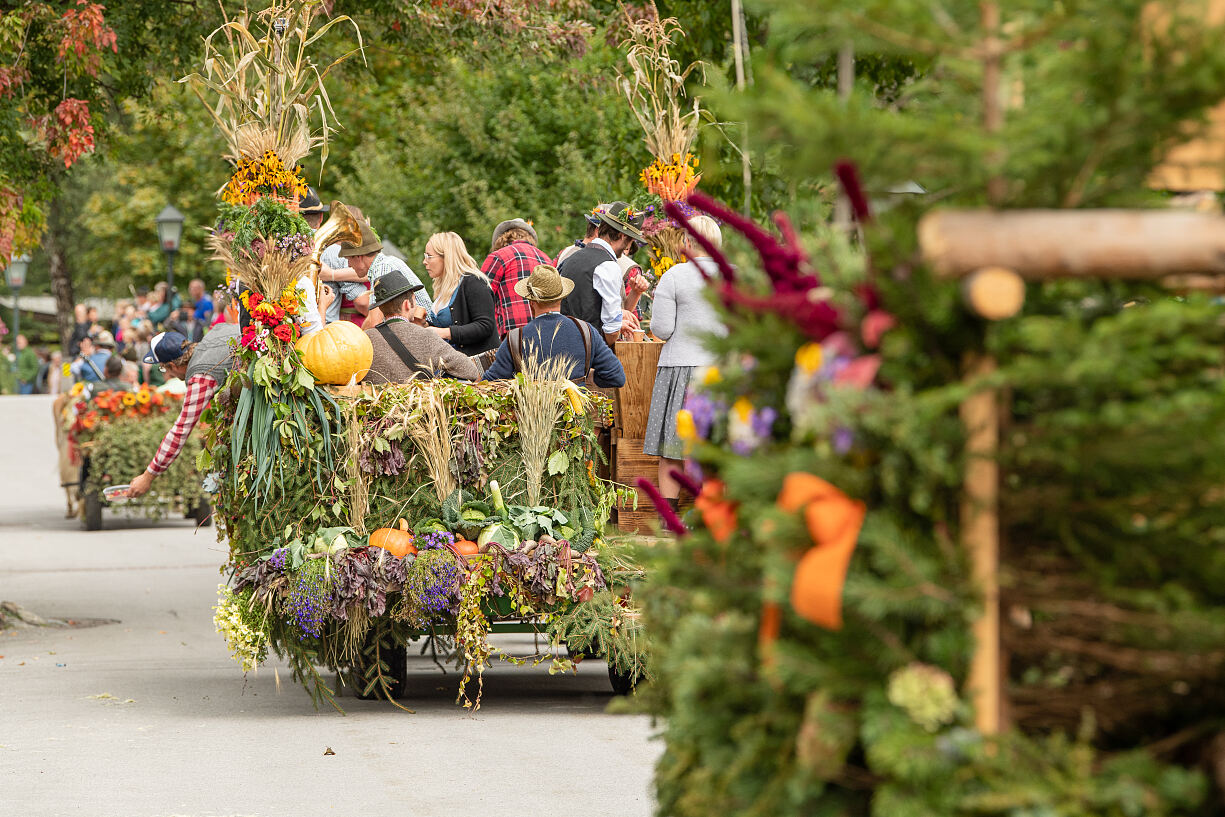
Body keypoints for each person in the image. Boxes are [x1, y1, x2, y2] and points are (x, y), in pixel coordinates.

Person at [642, 215, 728, 507]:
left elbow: (662, 329)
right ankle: (714, 514)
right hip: (722, 370)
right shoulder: (733, 275)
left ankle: (668, 520)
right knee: (717, 446)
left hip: (679, 368)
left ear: (687, 242)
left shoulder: (675, 276)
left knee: (672, 446)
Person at [126, 324, 242, 499]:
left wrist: (148, 476)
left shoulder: (201, 376)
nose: (167, 373)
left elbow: (180, 430)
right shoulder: (213, 333)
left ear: (173, 365)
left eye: (163, 368)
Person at [482, 264, 625, 388]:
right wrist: (586, 378)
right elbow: (616, 377)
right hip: (577, 417)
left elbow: (490, 384)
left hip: (532, 418)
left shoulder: (515, 339)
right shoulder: (585, 331)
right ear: (562, 297)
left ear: (531, 302)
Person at [361, 270, 481, 384]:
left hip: (375, 404)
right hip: (416, 405)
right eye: (414, 299)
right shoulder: (425, 336)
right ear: (407, 304)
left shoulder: (365, 338)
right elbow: (470, 371)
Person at [559, 201, 643, 346]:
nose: (629, 247)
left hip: (564, 345)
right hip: (591, 353)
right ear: (622, 236)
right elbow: (611, 331)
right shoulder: (608, 265)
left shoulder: (571, 259)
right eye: (631, 240)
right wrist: (617, 328)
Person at [340, 220, 432, 327]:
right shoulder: (385, 264)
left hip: (425, 331)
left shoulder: (382, 269)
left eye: (348, 259)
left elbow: (375, 322)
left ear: (358, 256)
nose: (349, 265)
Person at [423, 232, 499, 357]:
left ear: (446, 257)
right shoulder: (444, 287)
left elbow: (485, 326)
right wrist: (425, 325)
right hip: (453, 366)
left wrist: (443, 332)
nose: (424, 262)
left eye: (429, 256)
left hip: (477, 371)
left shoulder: (474, 282)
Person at [300, 192, 370, 325]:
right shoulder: (333, 252)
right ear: (321, 218)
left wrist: (332, 274)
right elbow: (370, 271)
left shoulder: (280, 247)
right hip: (327, 328)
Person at [480, 218, 553, 338]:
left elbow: (481, 295)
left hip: (513, 333)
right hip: (545, 331)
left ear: (502, 238)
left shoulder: (499, 256)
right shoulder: (546, 259)